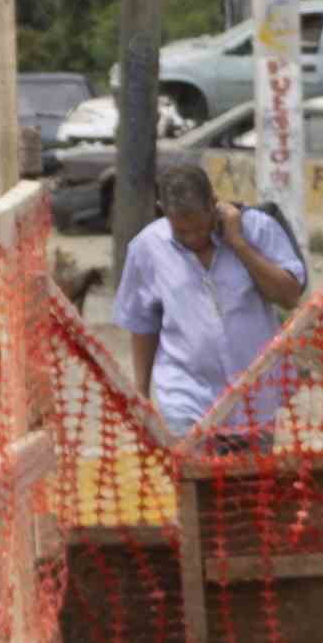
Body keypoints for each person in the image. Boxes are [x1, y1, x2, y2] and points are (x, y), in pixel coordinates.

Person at [115, 152, 309, 437]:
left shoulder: (257, 228)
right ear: (162, 211)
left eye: (200, 227)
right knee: (193, 479)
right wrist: (141, 393)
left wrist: (239, 245)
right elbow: (143, 324)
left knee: (253, 483)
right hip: (186, 401)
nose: (193, 238)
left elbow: (289, 296)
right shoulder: (147, 248)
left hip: (255, 401)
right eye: (182, 231)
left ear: (214, 203)